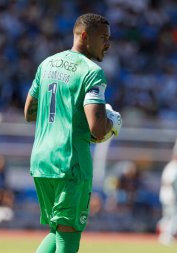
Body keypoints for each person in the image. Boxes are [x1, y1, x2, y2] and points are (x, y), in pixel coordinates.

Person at [24, 13, 122, 253]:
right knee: (68, 237)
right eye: (104, 38)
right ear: (86, 36)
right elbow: (97, 129)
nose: (108, 44)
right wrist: (113, 122)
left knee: (57, 230)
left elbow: (29, 112)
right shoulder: (91, 72)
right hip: (71, 163)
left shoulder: (47, 64)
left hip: (42, 161)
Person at [157, 155, 177, 246]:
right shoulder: (176, 167)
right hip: (172, 197)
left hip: (166, 196)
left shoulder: (170, 166)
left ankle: (163, 234)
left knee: (168, 216)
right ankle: (168, 235)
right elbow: (170, 182)